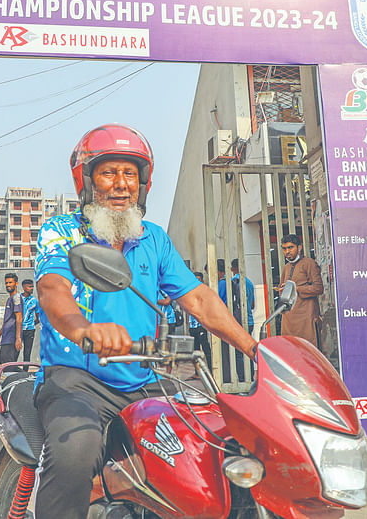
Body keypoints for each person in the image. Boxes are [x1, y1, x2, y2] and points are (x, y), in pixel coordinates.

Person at [34, 124, 257, 518]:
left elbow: (200, 299)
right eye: (108, 172)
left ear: (143, 183)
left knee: (205, 444)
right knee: (77, 449)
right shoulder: (62, 232)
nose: (121, 184)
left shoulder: (152, 238)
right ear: (87, 181)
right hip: (76, 380)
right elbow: (54, 290)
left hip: (145, 377)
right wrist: (84, 330)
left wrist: (254, 348)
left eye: (130, 174)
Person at [277, 234, 323, 348]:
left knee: (308, 352)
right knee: (290, 352)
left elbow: (318, 288)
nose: (287, 251)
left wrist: (296, 289)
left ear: (299, 247)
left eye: (290, 247)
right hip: (288, 320)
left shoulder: (309, 263)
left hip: (306, 318)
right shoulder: (286, 267)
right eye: (284, 248)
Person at [230, 258, 255, 380]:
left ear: (232, 269)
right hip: (249, 320)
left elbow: (233, 303)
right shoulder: (249, 282)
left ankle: (242, 380)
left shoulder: (234, 281)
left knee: (239, 352)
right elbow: (253, 305)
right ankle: (250, 377)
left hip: (238, 321)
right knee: (249, 349)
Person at [0, 273, 23, 367]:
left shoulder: (16, 298)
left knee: (8, 366)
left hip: (12, 339)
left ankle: (25, 378)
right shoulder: (10, 299)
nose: (8, 285)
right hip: (6, 338)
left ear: (16, 283)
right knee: (4, 363)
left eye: (10, 282)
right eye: (6, 283)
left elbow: (19, 318)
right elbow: (8, 321)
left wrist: (18, 338)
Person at [188, 271, 211, 372]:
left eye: (199, 280)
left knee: (206, 349)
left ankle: (211, 370)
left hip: (201, 324)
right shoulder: (189, 291)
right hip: (192, 325)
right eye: (195, 279)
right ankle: (197, 372)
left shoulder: (204, 292)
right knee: (195, 351)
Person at [21, 279, 40, 371]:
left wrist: (31, 324)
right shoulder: (18, 298)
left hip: (30, 330)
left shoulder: (34, 301)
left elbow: (38, 317)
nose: (32, 288)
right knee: (15, 351)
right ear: (24, 287)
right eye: (29, 286)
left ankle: (25, 371)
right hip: (18, 330)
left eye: (32, 286)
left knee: (27, 352)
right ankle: (12, 370)